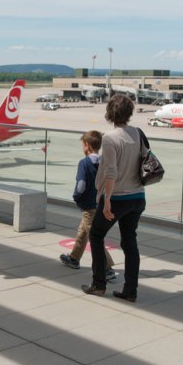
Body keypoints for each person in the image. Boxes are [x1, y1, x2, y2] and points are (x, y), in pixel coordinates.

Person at [82, 94, 146, 302]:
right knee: (130, 242)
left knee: (96, 235)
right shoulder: (138, 133)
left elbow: (110, 172)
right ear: (129, 113)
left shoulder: (110, 138)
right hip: (138, 196)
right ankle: (131, 290)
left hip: (117, 197)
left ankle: (98, 284)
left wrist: (107, 200)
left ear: (110, 113)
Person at [59, 130, 117, 281]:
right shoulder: (104, 161)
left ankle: (107, 268)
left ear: (87, 145)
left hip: (88, 205)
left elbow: (81, 185)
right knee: (83, 231)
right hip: (100, 203)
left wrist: (76, 197)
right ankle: (74, 257)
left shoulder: (84, 163)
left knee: (94, 237)